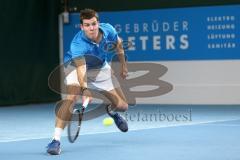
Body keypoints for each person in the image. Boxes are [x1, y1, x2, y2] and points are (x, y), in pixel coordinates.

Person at [47, 8, 129, 155]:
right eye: (87, 25)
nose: (91, 28)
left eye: (93, 24)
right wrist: (84, 89)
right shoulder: (78, 44)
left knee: (122, 106)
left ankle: (111, 111)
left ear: (98, 22)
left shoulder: (108, 29)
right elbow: (81, 69)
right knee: (71, 97)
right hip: (75, 66)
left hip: (100, 67)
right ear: (82, 27)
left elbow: (119, 43)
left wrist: (123, 66)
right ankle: (55, 140)